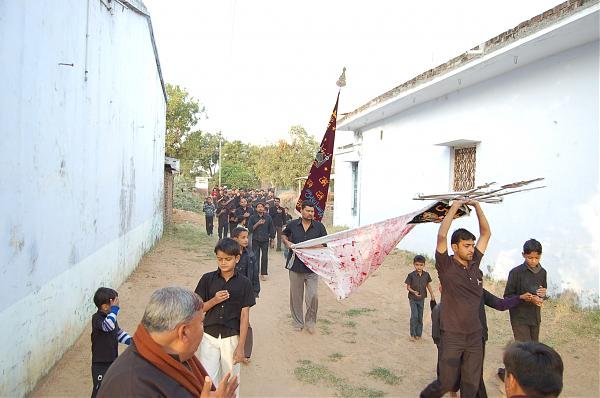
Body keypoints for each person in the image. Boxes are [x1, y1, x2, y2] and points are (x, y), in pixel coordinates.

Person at [97, 287, 238, 398]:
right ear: (184, 332)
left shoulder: (175, 353)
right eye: (201, 322)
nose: (203, 326)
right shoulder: (132, 387)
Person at [421, 199, 491, 398]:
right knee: (446, 382)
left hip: (475, 336)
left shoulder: (475, 262)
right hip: (452, 335)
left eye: (472, 245)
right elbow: (442, 235)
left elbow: (486, 233)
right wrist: (455, 205)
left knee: (471, 385)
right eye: (466, 245)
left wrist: (477, 206)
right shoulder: (445, 266)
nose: (471, 249)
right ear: (455, 247)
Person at [195, 238, 255, 397]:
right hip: (209, 336)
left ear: (237, 258)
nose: (223, 263)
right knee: (208, 378)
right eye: (219, 259)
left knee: (230, 380)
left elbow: (244, 316)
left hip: (231, 338)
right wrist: (214, 300)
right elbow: (197, 310)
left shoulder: (245, 283)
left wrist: (241, 346)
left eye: (228, 259)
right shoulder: (207, 279)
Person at [281, 200, 327, 334]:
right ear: (301, 211)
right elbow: (284, 234)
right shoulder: (293, 225)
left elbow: (325, 243)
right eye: (308, 211)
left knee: (313, 296)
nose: (310, 213)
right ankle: (298, 322)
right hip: (295, 266)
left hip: (313, 268)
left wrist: (309, 247)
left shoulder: (319, 227)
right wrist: (287, 242)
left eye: (312, 211)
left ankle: (310, 322)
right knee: (296, 296)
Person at [90, 287, 132, 398]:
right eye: (114, 303)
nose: (117, 306)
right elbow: (107, 326)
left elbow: (118, 334)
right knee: (99, 390)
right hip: (100, 364)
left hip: (112, 361)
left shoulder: (111, 319)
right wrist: (114, 310)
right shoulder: (97, 319)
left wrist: (133, 341)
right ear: (104, 306)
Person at [504, 239, 547, 342]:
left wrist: (542, 296)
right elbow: (507, 297)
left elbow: (543, 292)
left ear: (541, 255)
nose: (533, 261)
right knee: (524, 349)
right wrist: (522, 298)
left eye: (537, 258)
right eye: (530, 257)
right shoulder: (515, 273)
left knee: (534, 348)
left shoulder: (543, 272)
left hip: (535, 317)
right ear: (523, 255)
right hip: (519, 318)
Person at [405, 255, 436, 341]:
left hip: (422, 299)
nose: (419, 267)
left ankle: (419, 334)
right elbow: (408, 287)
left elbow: (428, 285)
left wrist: (432, 294)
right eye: (417, 265)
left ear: (424, 265)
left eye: (421, 265)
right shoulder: (411, 275)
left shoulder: (426, 275)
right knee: (414, 316)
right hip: (412, 299)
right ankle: (412, 334)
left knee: (420, 316)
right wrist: (413, 292)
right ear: (414, 264)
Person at [247, 203, 275, 281]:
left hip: (265, 240)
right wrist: (258, 223)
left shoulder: (268, 217)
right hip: (255, 240)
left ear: (264, 208)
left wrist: (272, 239)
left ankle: (263, 273)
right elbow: (250, 229)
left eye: (262, 207)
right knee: (255, 257)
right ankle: (256, 273)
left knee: (264, 257)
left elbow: (271, 228)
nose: (260, 208)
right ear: (256, 209)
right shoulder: (252, 217)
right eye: (258, 207)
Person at [231, 226, 260, 298]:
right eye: (243, 237)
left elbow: (255, 274)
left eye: (247, 237)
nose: (246, 240)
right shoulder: (229, 256)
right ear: (235, 239)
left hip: (246, 290)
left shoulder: (250, 255)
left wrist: (256, 290)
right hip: (232, 291)